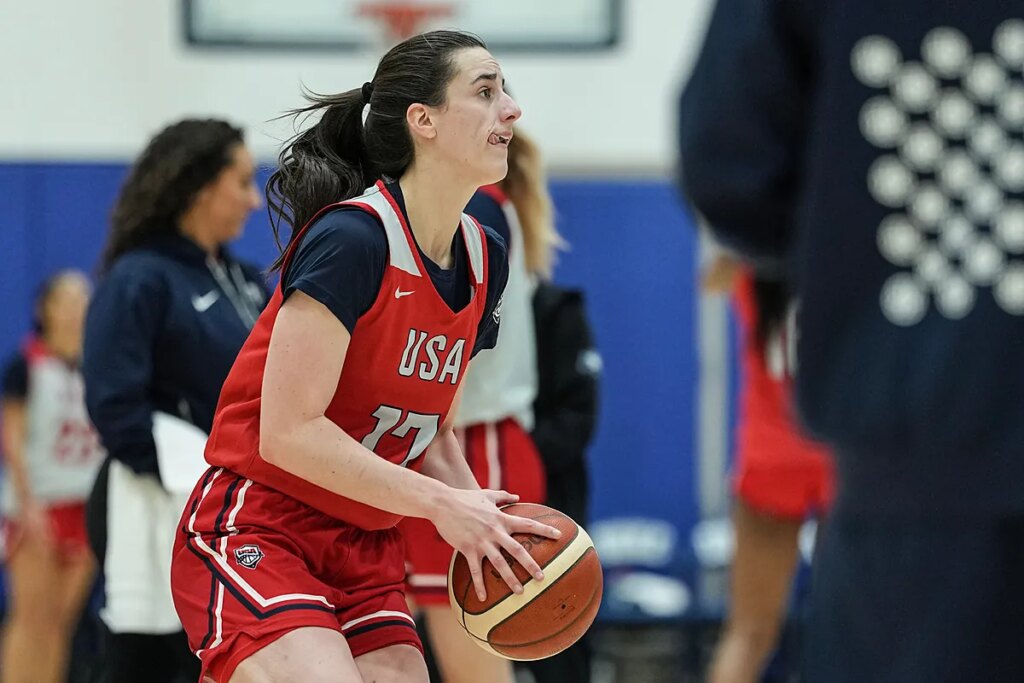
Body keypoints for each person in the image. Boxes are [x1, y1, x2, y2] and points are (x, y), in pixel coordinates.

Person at [168, 30, 562, 683]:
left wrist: (485, 525)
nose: (512, 108)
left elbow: (432, 431)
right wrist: (439, 505)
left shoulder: (485, 253)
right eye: (486, 91)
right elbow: (288, 431)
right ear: (423, 120)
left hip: (364, 546)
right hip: (262, 524)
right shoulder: (353, 238)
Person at [678, 1, 1024, 681]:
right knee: (749, 633)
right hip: (854, 456)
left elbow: (731, 166)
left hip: (909, 463)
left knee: (749, 634)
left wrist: (849, 241)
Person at [83, 118, 266, 683]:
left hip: (240, 506)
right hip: (156, 502)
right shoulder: (140, 278)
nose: (254, 200)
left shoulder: (246, 280)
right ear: (200, 187)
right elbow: (115, 404)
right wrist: (189, 476)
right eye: (242, 182)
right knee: (151, 662)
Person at [400, 126, 561, 683]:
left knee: (472, 663)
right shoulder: (462, 206)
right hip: (431, 445)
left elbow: (444, 350)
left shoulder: (476, 211)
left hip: (470, 444)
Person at [699, 256, 833, 683]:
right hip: (840, 460)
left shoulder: (753, 269)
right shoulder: (849, 268)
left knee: (748, 634)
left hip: (768, 461)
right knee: (856, 634)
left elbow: (710, 279)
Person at [0, 270, 104, 683]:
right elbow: (12, 441)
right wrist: (27, 504)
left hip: (84, 505)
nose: (78, 308)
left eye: (84, 300)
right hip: (38, 505)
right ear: (46, 309)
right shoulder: (26, 365)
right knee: (31, 620)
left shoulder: (98, 366)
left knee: (62, 623)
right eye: (68, 300)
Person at [525, 273, 602, 683]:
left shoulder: (558, 310)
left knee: (560, 643)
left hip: (552, 504)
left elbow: (578, 420)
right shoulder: (456, 300)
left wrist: (512, 458)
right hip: (472, 501)